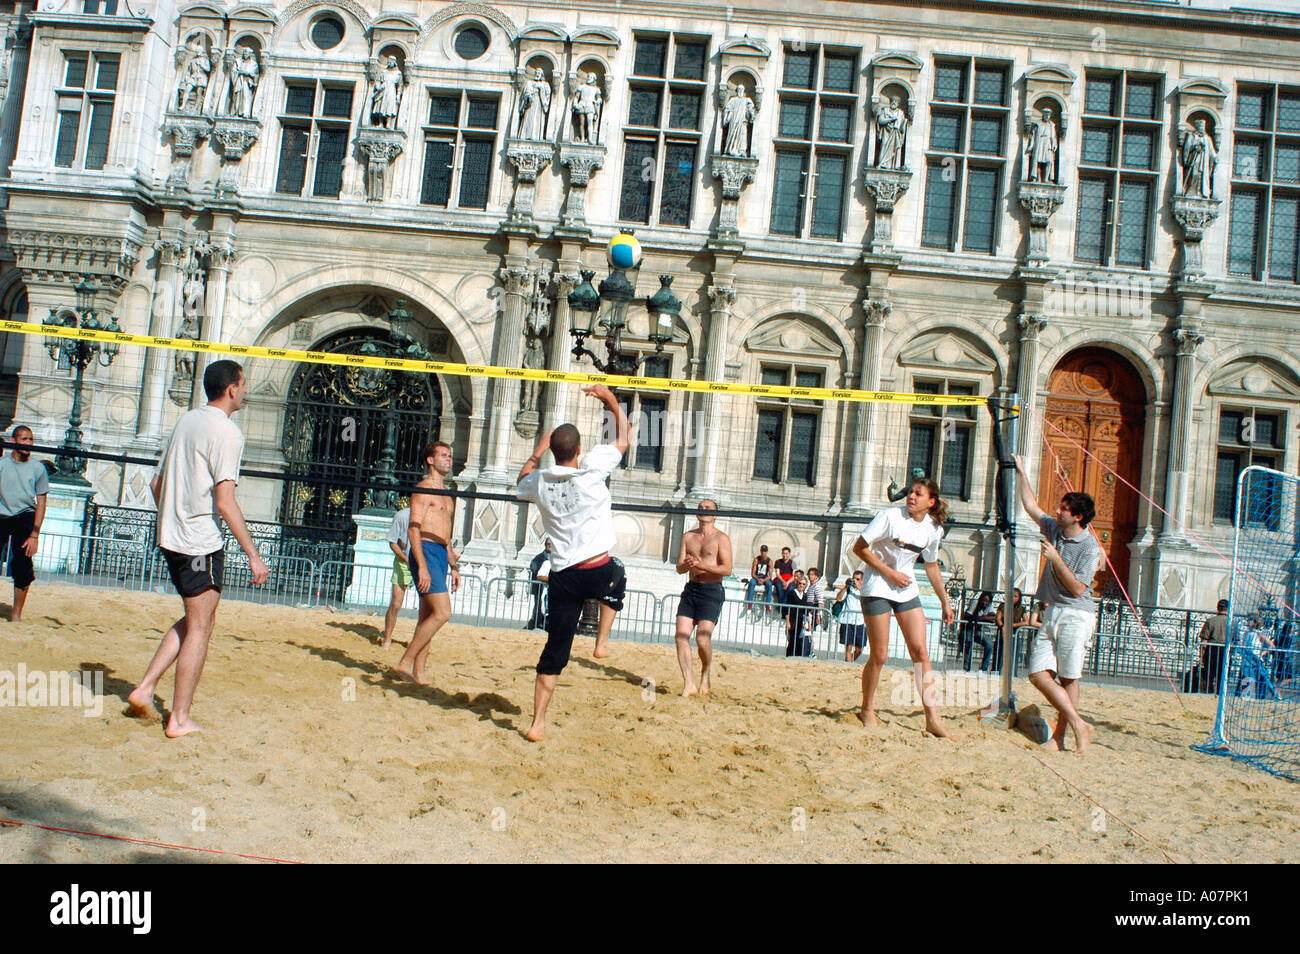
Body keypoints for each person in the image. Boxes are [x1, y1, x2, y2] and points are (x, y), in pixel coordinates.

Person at [127, 361, 269, 738]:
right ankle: (179, 717)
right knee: (202, 627)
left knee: (193, 620)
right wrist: (253, 554)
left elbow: (158, 485)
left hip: (171, 537)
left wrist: (173, 518)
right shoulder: (227, 433)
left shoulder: (185, 421)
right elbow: (225, 501)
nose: (245, 391)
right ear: (232, 389)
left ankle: (145, 688)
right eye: (243, 384)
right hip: (199, 541)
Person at [516, 385, 629, 741]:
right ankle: (601, 642)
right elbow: (624, 437)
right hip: (598, 572)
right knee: (620, 576)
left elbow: (520, 480)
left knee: (555, 648)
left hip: (563, 574)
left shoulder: (538, 481)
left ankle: (537, 723)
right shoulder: (593, 468)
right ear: (580, 450)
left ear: (554, 451)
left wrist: (537, 450)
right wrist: (609, 398)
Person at [1011, 454, 1101, 753]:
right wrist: (1022, 471)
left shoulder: (1090, 547)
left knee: (1068, 677)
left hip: (1077, 613)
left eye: (1063, 508)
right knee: (1037, 673)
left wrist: (1055, 558)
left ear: (1077, 516)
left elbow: (1078, 588)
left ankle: (1061, 738)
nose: (1057, 510)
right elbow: (1030, 506)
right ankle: (1078, 723)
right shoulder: (1054, 528)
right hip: (1052, 610)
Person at [853, 478, 956, 737]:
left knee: (921, 652)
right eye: (910, 492)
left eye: (918, 494)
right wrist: (891, 573)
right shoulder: (889, 516)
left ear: (931, 502)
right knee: (880, 655)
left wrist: (945, 601)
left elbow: (931, 566)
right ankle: (867, 708)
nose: (911, 496)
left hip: (906, 589)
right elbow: (860, 548)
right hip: (877, 585)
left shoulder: (934, 529)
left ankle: (932, 718)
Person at [393, 442, 461, 684]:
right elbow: (414, 530)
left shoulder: (447, 494)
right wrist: (421, 564)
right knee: (443, 613)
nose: (448, 459)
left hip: (440, 552)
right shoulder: (423, 490)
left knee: (427, 617)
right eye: (443, 455)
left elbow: (447, 535)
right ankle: (404, 662)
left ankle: (419, 673)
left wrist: (453, 566)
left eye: (450, 456)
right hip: (426, 550)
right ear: (430, 460)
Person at [673, 499, 733, 696]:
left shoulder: (721, 538)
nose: (703, 510)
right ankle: (688, 683)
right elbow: (679, 568)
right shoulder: (688, 537)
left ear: (715, 515)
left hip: (712, 590)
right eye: (700, 508)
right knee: (681, 635)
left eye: (708, 508)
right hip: (692, 589)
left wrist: (701, 565)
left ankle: (705, 672)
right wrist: (689, 565)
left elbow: (727, 569)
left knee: (702, 638)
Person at [0, 425, 48, 622]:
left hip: (24, 516)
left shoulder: (38, 468)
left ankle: (16, 613)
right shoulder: (2, 464)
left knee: (22, 566)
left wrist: (34, 535)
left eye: (31, 439)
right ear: (13, 441)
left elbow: (42, 502)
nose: (28, 443)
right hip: (2, 515)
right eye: (24, 439)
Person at [380, 506, 412, 649]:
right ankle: (387, 638)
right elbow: (392, 542)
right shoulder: (402, 516)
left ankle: (419, 643)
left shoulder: (432, 515)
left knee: (428, 607)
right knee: (396, 603)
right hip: (404, 561)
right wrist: (406, 559)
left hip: (424, 562)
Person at [1190, 598, 1229, 694]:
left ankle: (1208, 693)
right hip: (1226, 651)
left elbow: (1204, 642)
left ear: (1217, 608)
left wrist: (1201, 656)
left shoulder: (1210, 621)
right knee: (1223, 676)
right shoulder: (1233, 623)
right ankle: (1220, 694)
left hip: (1212, 651)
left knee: (1209, 675)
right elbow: (1236, 641)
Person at [959, 592, 997, 672]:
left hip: (978, 631)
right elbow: (968, 616)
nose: (984, 603)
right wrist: (984, 618)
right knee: (968, 644)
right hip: (968, 629)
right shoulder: (975, 603)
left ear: (990, 602)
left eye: (987, 601)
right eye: (983, 600)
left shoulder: (990, 606)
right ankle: (966, 668)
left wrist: (980, 618)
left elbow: (993, 617)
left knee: (989, 644)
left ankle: (984, 668)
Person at [835, 569, 867, 662]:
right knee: (848, 647)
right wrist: (845, 586)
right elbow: (839, 598)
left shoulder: (865, 590)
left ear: (862, 580)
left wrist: (859, 587)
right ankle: (848, 664)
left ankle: (850, 662)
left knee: (859, 649)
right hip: (848, 621)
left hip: (860, 622)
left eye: (857, 579)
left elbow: (868, 599)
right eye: (854, 579)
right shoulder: (848, 589)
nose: (855, 581)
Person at [784, 570, 814, 658]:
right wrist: (787, 622)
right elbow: (787, 608)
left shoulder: (804, 596)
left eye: (804, 584)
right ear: (797, 584)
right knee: (792, 640)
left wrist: (808, 620)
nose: (801, 585)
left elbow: (805, 610)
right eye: (800, 583)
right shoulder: (792, 594)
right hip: (793, 619)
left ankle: (796, 657)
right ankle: (789, 657)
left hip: (801, 620)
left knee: (799, 641)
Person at [525, 539, 552, 630]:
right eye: (548, 544)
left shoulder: (555, 558)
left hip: (550, 588)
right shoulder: (540, 558)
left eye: (551, 544)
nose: (550, 546)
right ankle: (535, 623)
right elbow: (534, 568)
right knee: (539, 605)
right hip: (539, 587)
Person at [744, 544, 773, 617]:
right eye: (762, 551)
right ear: (760, 551)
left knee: (769, 585)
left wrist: (763, 580)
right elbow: (753, 573)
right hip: (757, 577)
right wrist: (758, 579)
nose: (763, 553)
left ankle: (767, 605)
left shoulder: (769, 561)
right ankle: (749, 605)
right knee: (752, 582)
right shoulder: (756, 559)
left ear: (767, 552)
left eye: (765, 551)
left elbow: (770, 576)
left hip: (765, 577)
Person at [772, 546, 795, 617]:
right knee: (779, 587)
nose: (785, 555)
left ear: (789, 554)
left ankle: (781, 606)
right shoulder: (778, 562)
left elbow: (794, 575)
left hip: (790, 580)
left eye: (786, 553)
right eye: (783, 553)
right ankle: (783, 606)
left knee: (790, 588)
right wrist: (783, 582)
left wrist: (787, 583)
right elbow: (778, 574)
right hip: (780, 579)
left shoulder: (793, 562)